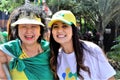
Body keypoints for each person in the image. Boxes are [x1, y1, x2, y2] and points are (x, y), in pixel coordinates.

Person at [48, 10, 116, 80]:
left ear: (73, 30)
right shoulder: (57, 57)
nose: (59, 30)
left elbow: (110, 78)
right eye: (56, 27)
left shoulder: (92, 50)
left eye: (64, 26)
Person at [0, 3, 54, 80]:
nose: (28, 31)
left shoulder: (51, 50)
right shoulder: (9, 50)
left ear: (40, 30)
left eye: (33, 26)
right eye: (24, 26)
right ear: (17, 29)